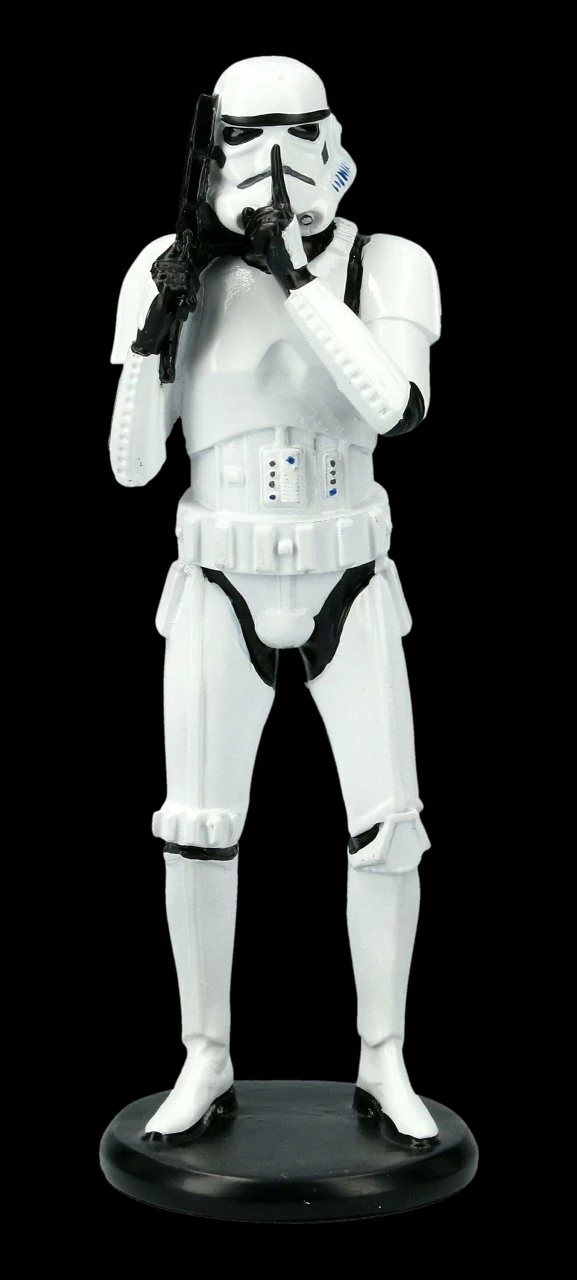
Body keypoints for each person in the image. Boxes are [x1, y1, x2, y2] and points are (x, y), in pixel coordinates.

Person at [109, 54, 441, 1144]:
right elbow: (130, 464)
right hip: (219, 576)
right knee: (197, 829)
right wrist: (160, 323)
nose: (275, 161)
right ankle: (204, 1053)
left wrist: (298, 276)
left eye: (298, 132)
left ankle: (383, 1058)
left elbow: (393, 406)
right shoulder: (167, 268)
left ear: (333, 137)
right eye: (246, 137)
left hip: (349, 571)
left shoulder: (385, 263)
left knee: (388, 827)